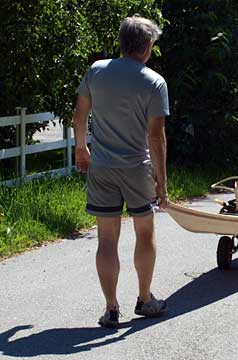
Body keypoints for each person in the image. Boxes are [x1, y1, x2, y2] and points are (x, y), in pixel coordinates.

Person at [72, 15, 169, 328]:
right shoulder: (154, 82)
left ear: (122, 42)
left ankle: (111, 308)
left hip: (102, 167)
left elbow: (79, 116)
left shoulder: (97, 71)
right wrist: (162, 184)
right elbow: (156, 138)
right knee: (144, 231)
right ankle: (144, 298)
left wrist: (81, 148)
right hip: (136, 168)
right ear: (148, 47)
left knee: (107, 239)